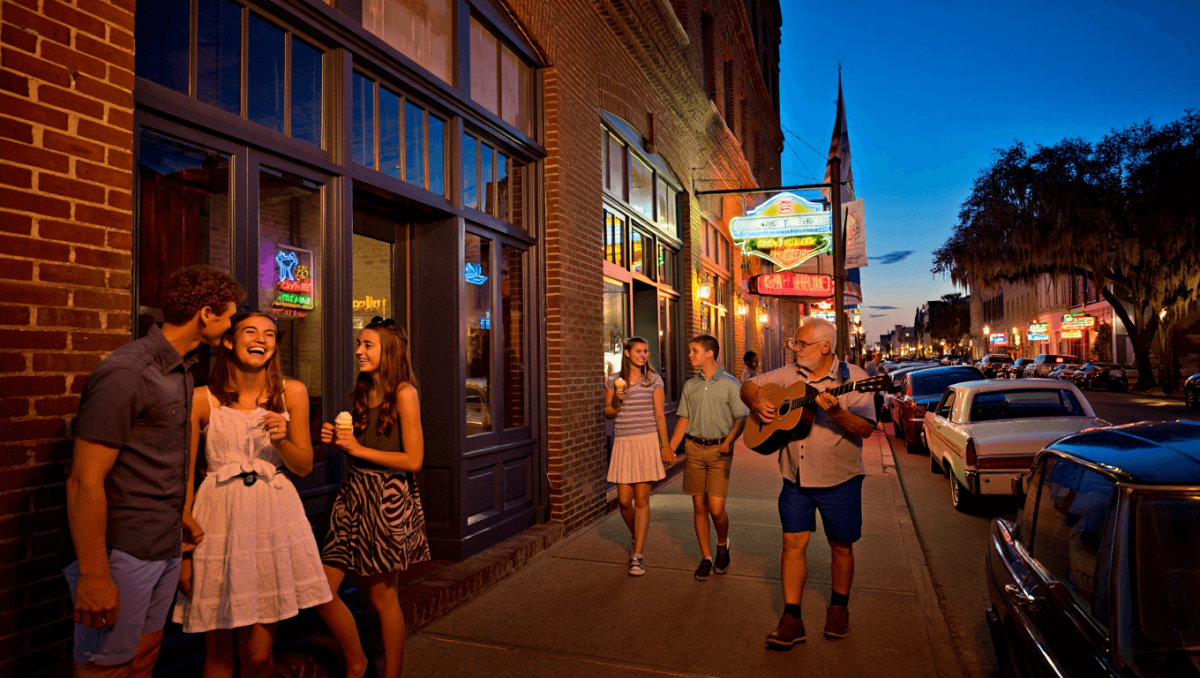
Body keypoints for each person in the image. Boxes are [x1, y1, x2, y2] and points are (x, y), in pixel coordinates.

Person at [64, 266, 242, 677]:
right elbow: (83, 480)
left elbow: (159, 455)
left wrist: (179, 513)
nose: (232, 322)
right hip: (123, 547)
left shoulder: (181, 367)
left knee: (144, 657)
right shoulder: (127, 373)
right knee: (105, 667)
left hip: (162, 541)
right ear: (206, 314)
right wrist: (94, 576)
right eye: (229, 314)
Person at [173, 311, 333, 677]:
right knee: (218, 656)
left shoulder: (291, 392)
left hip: (271, 520)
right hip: (217, 522)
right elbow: (184, 478)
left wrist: (282, 439)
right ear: (228, 340)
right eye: (250, 331)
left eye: (270, 334)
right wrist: (184, 553)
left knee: (259, 655)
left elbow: (304, 465)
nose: (261, 339)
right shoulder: (201, 399)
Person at [739, 317, 876, 648]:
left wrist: (838, 413)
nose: (794, 349)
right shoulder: (789, 375)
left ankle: (838, 608)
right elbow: (746, 386)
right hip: (795, 477)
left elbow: (866, 429)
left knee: (841, 546)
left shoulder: (854, 379)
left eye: (801, 344)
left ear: (825, 346)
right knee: (791, 544)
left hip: (839, 479)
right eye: (793, 343)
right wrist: (756, 402)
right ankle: (791, 618)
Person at [318, 321, 431, 678]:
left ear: (389, 351)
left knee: (383, 598)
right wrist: (338, 441)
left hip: (387, 499)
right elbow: (359, 448)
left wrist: (357, 448)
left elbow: (413, 461)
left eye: (367, 345)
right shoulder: (362, 391)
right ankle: (358, 661)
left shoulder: (405, 393)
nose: (358, 351)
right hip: (352, 496)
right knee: (320, 589)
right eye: (358, 343)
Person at [665, 335, 748, 581]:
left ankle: (722, 544)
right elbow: (683, 419)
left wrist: (728, 442)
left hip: (719, 451)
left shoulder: (731, 384)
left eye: (695, 351)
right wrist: (670, 447)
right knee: (699, 506)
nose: (690, 355)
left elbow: (741, 418)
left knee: (716, 508)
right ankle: (706, 558)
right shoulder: (690, 386)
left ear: (710, 353)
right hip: (693, 449)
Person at [603, 337, 673, 576]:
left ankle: (637, 555)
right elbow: (609, 413)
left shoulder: (653, 380)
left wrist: (665, 446)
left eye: (646, 351)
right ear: (628, 353)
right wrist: (616, 400)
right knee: (624, 500)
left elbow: (660, 416)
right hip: (623, 442)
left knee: (641, 499)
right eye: (639, 351)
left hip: (646, 440)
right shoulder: (614, 379)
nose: (643, 355)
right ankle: (638, 534)